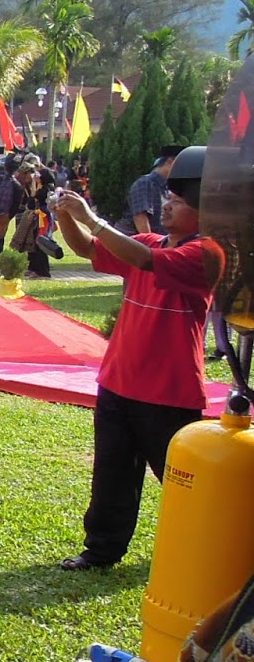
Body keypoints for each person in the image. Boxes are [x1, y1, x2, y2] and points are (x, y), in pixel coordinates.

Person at [52, 148, 224, 571]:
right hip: (119, 380)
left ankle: (211, 546)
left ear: (203, 212)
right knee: (111, 471)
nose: (167, 204)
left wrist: (91, 216)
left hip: (168, 388)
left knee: (183, 480)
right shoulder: (150, 241)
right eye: (169, 197)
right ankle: (102, 548)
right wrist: (63, 215)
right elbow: (88, 249)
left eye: (179, 201)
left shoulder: (206, 254)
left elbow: (143, 260)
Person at [123, 145, 183, 235]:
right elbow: (140, 218)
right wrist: (152, 245)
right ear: (170, 162)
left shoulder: (169, 187)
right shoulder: (145, 183)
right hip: (135, 244)